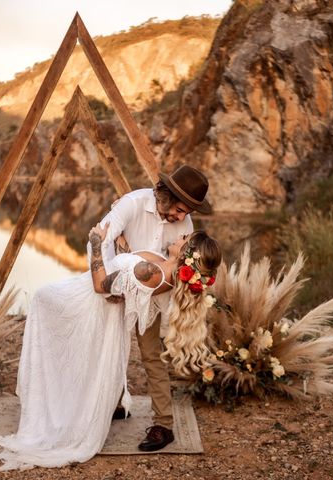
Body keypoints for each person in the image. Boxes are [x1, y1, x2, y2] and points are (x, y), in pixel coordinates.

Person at [0, 226, 222, 471]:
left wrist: (97, 244)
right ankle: (74, 401)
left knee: (40, 299)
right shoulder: (163, 266)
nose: (180, 235)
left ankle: (57, 406)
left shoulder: (153, 272)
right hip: (99, 301)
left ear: (187, 253)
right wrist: (122, 245)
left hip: (89, 300)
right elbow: (130, 271)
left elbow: (101, 286)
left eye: (185, 238)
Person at [96, 164, 213, 451]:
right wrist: (110, 283)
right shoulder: (132, 204)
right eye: (179, 209)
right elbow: (100, 240)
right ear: (165, 194)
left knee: (151, 356)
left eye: (187, 212)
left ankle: (163, 425)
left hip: (152, 296)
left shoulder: (184, 225)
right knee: (110, 347)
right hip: (113, 285)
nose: (181, 217)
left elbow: (177, 268)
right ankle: (116, 404)